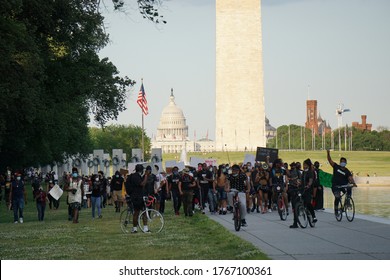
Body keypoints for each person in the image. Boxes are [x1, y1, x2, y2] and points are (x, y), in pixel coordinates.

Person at [125, 164, 149, 233]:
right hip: (136, 197)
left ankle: (143, 228)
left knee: (142, 212)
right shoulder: (135, 177)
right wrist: (146, 176)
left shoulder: (136, 176)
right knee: (137, 212)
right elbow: (142, 184)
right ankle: (137, 228)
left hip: (138, 196)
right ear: (141, 170)